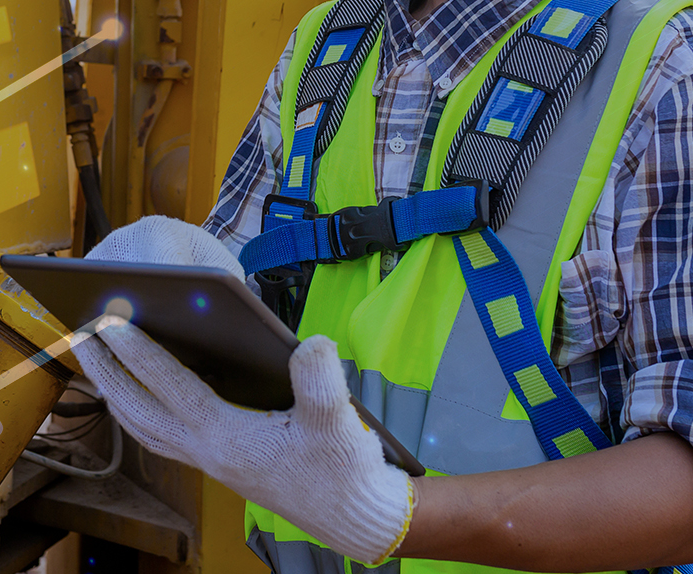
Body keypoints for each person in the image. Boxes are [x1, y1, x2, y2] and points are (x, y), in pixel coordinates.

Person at [69, 0, 693, 571]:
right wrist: (172, 294)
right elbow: (241, 291)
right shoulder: (322, 45)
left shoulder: (657, 68)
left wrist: (393, 515)